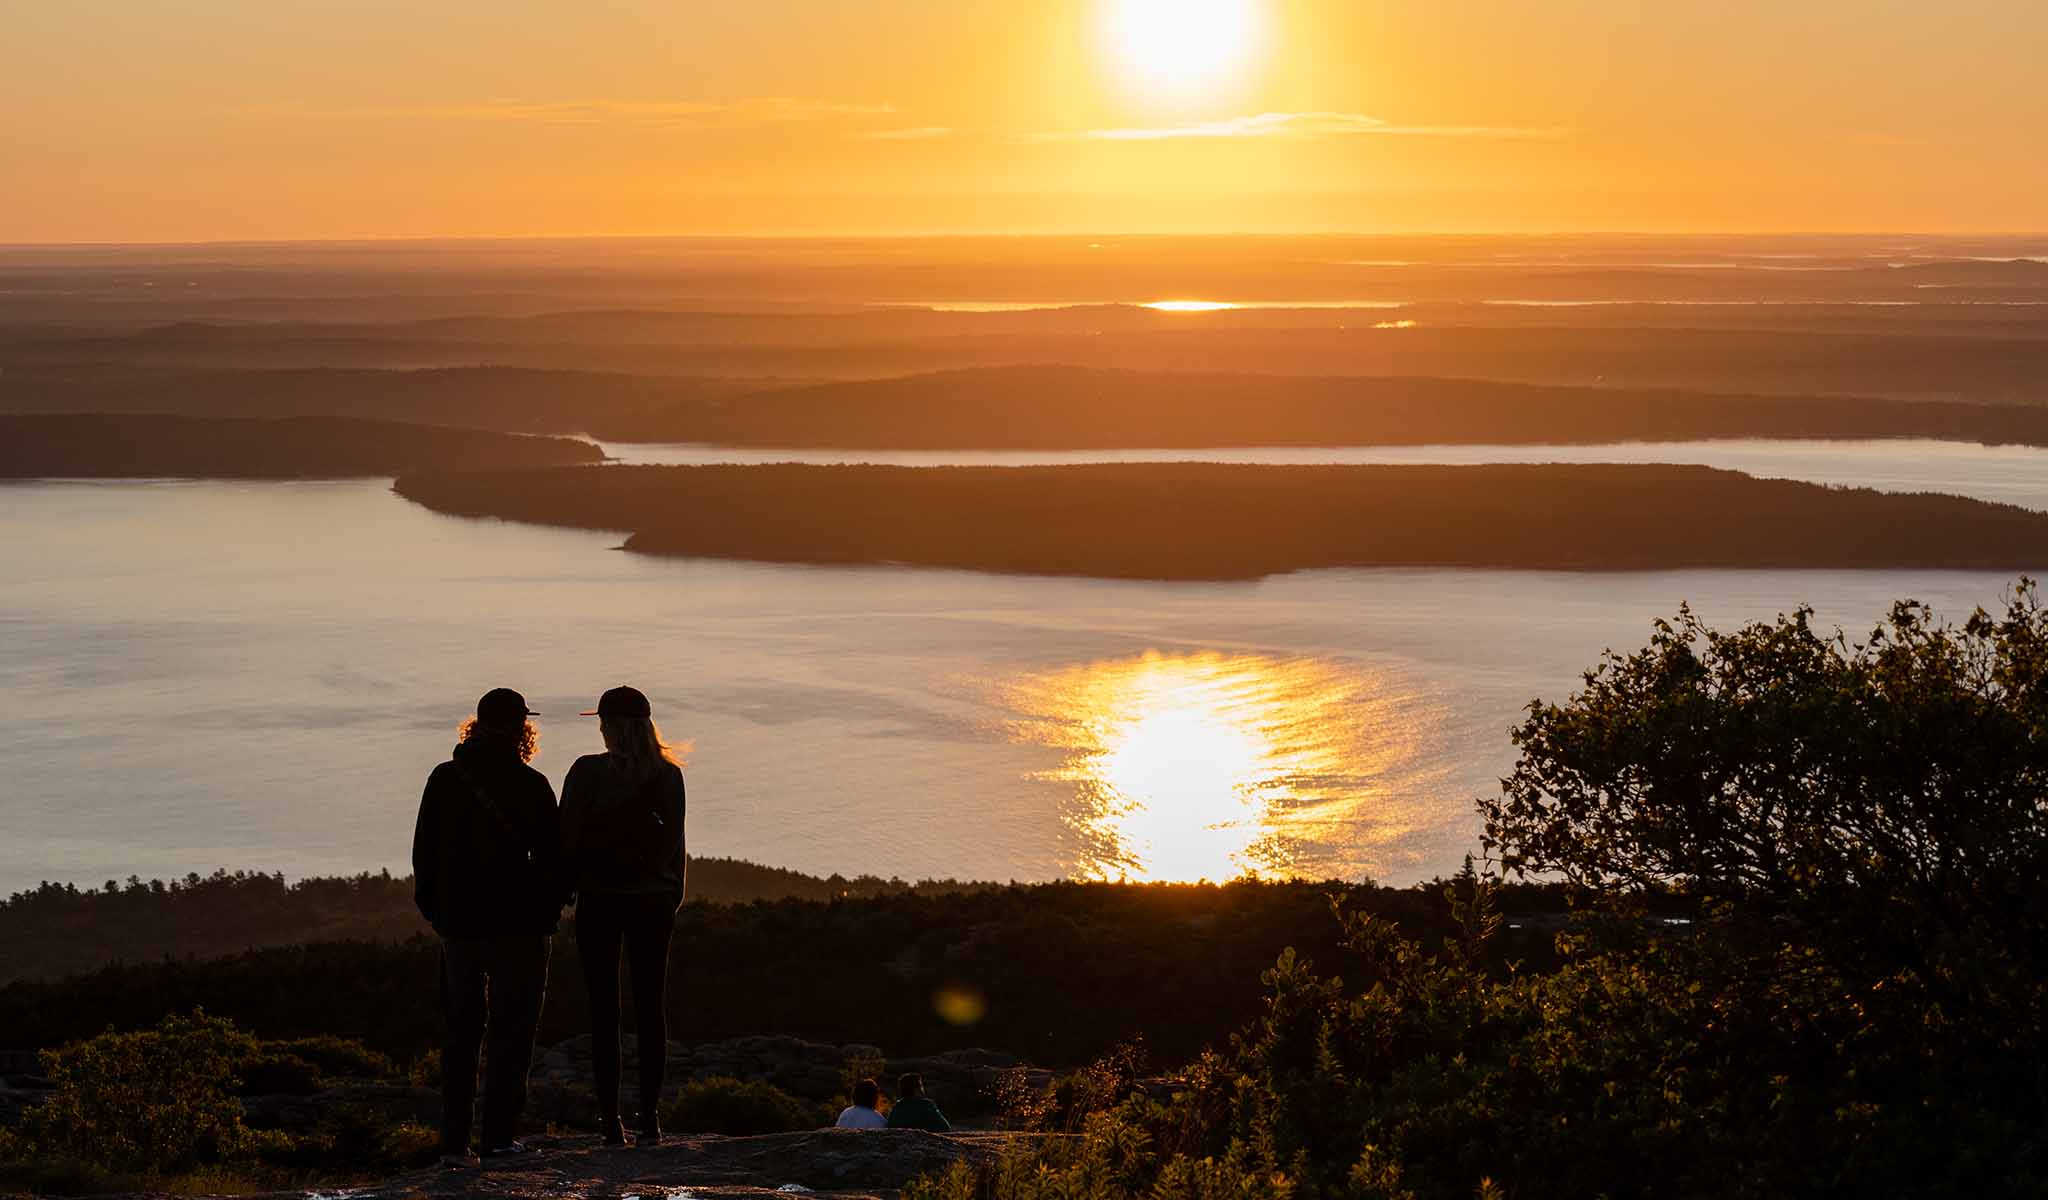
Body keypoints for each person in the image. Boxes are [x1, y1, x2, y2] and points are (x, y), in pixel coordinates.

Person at [412, 687, 563, 1169]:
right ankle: (498, 1139)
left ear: (475, 725)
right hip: (519, 928)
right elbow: (554, 863)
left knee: (461, 1032)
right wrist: (547, 915)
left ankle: (453, 1145)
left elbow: (424, 856)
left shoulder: (444, 779)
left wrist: (438, 916)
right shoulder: (532, 785)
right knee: (511, 1032)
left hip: (459, 927)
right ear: (522, 727)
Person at [560, 685, 687, 1147]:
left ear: (610, 726)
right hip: (653, 902)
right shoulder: (668, 776)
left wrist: (565, 894)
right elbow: (676, 847)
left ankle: (611, 1121)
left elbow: (566, 839)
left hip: (600, 900)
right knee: (651, 1008)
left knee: (604, 1011)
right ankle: (650, 1119)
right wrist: (669, 896)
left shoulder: (587, 772)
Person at [885, 1072, 951, 1132]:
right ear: (917, 1089)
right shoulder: (926, 1105)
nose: (923, 1089)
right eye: (921, 1086)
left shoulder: (896, 1108)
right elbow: (945, 1128)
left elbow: (889, 1128)